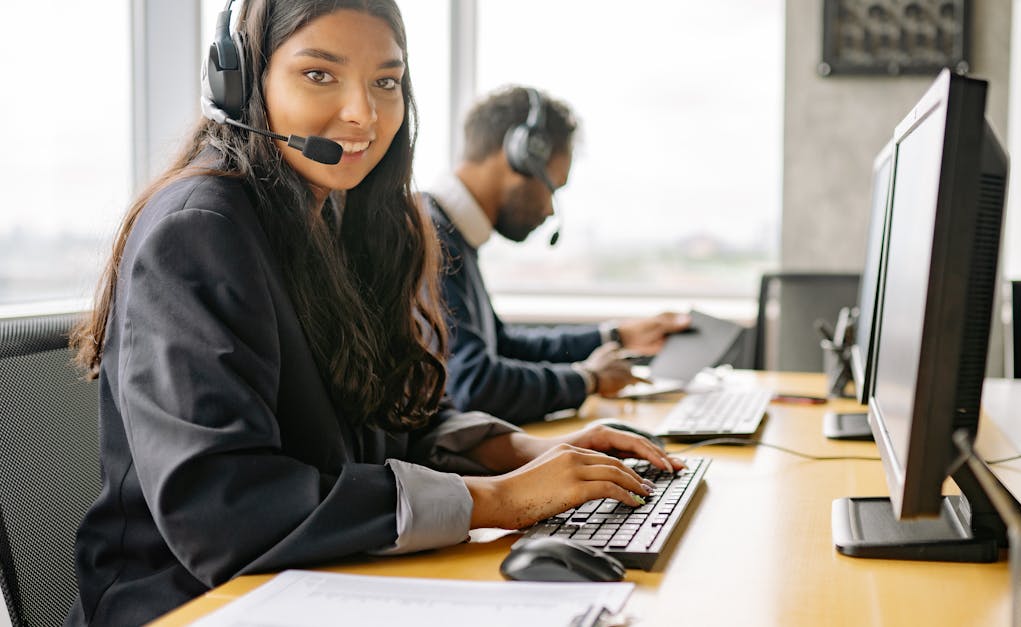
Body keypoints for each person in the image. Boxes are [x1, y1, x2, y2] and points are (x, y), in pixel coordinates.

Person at [66, 2, 680, 624]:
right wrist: (491, 501)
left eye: (386, 82)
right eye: (320, 74)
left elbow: (394, 417)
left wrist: (520, 453)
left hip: (320, 581)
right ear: (243, 82)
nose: (364, 113)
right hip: (192, 604)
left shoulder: (339, 218)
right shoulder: (200, 228)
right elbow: (223, 510)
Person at [425, 86, 691, 425]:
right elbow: (474, 386)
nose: (550, 209)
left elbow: (502, 345)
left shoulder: (453, 232)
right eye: (553, 186)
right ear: (520, 155)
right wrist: (587, 379)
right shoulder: (431, 238)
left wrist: (617, 337)